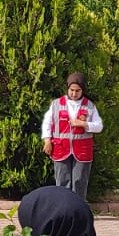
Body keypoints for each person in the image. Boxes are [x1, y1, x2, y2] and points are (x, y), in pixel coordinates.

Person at [40, 72, 102, 201]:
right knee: (62, 181)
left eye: (78, 91)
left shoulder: (90, 106)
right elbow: (47, 122)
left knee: (79, 181)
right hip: (61, 149)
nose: (74, 94)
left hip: (82, 151)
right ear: (68, 89)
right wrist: (47, 140)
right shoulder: (56, 104)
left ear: (83, 90)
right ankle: (63, 208)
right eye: (71, 90)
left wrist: (84, 124)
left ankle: (78, 209)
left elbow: (99, 126)